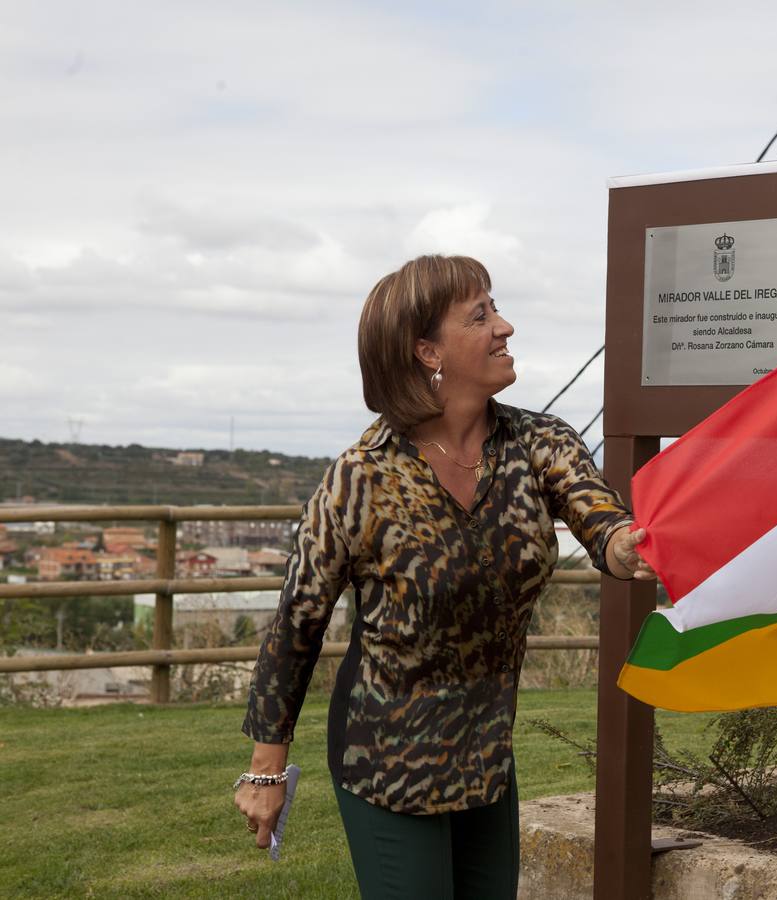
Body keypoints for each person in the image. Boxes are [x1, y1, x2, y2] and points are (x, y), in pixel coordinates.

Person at [232, 254, 654, 898]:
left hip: (487, 758)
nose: (505, 327)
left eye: (496, 308)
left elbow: (605, 526)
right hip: (385, 763)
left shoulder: (540, 443)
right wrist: (266, 771)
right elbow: (297, 624)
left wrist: (629, 546)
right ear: (427, 349)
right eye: (480, 316)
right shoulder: (361, 478)